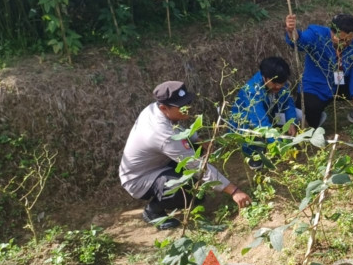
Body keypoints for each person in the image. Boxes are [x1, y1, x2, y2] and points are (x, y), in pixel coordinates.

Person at [119, 81, 251, 230]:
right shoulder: (163, 134)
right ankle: (153, 211)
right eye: (181, 106)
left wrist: (197, 140)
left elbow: (178, 127)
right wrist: (234, 191)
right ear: (164, 107)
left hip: (160, 162)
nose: (187, 108)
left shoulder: (155, 109)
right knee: (186, 189)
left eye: (187, 103)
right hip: (139, 179)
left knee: (197, 152)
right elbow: (197, 165)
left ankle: (178, 190)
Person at [284, 12, 353, 129]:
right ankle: (318, 116)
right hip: (315, 87)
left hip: (341, 84)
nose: (345, 44)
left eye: (348, 41)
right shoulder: (317, 35)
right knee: (308, 113)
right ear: (332, 31)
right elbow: (300, 42)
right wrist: (292, 32)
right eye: (341, 40)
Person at [230, 56, 298, 170]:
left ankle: (278, 141)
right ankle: (254, 154)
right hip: (247, 122)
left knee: (298, 115)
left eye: (282, 83)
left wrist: (292, 122)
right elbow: (260, 122)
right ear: (265, 78)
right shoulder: (252, 91)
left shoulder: (279, 81)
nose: (279, 87)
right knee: (254, 133)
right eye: (275, 83)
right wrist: (279, 145)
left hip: (270, 114)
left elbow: (288, 103)